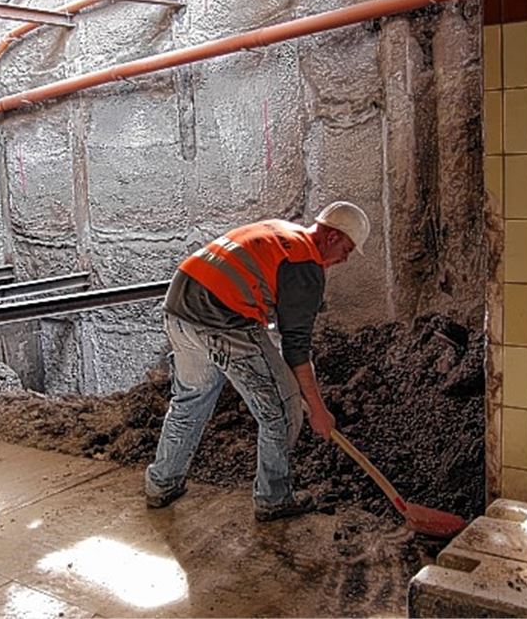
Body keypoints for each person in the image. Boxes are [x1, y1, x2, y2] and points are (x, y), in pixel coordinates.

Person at [145, 201, 371, 521]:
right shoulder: (306, 264)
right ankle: (274, 498)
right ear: (332, 236)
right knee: (282, 412)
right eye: (347, 249)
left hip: (180, 305)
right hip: (221, 315)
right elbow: (296, 347)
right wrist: (317, 410)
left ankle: (161, 483)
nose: (345, 259)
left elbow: (273, 326)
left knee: (190, 399)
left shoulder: (283, 232)